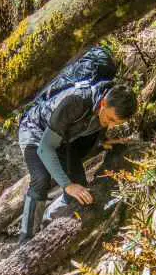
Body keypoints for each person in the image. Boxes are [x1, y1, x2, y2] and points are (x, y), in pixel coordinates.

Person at [17, 82, 137, 245]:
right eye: (110, 119)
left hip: (62, 139)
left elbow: (88, 131)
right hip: (35, 130)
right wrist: (66, 185)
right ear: (103, 103)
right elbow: (45, 148)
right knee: (41, 178)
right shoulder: (76, 101)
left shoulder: (104, 106)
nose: (111, 125)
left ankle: (47, 220)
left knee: (81, 191)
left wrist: (104, 141)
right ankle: (25, 240)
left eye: (116, 123)